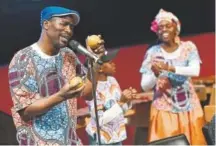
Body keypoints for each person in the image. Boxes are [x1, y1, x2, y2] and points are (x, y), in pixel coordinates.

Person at [8, 6, 105, 145]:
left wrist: (93, 64)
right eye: (64, 24)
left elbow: (88, 93)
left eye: (71, 27)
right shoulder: (22, 59)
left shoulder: (68, 55)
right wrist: (61, 96)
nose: (69, 30)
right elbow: (25, 111)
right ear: (46, 24)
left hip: (70, 141)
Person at [139, 9, 206, 145]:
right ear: (156, 31)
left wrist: (170, 68)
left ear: (177, 27)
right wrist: (155, 74)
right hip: (164, 110)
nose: (164, 29)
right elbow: (144, 85)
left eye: (168, 25)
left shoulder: (188, 47)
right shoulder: (152, 53)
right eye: (160, 27)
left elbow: (195, 71)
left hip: (190, 109)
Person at [85, 50, 137, 145]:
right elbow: (100, 120)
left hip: (116, 137)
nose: (114, 64)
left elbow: (121, 111)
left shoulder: (112, 80)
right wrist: (121, 102)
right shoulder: (91, 88)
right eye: (110, 62)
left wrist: (127, 100)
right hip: (101, 139)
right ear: (100, 68)